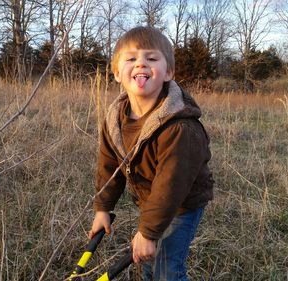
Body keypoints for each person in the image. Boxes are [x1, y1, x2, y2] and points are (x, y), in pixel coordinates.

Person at [89, 26, 214, 281]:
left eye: (152, 58)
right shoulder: (116, 118)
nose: (141, 64)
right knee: (148, 262)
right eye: (131, 58)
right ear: (116, 73)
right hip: (151, 201)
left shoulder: (179, 126)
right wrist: (103, 208)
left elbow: (171, 186)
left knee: (166, 269)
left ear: (168, 72)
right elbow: (109, 164)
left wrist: (147, 232)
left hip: (181, 204)